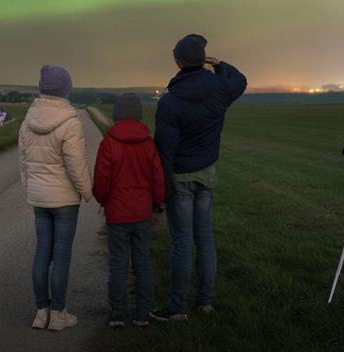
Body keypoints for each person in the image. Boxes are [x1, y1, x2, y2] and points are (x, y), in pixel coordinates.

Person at [150, 34, 247, 322]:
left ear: (178, 62)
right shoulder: (220, 88)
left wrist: (162, 188)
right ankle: (205, 302)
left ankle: (177, 308)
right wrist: (220, 65)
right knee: (204, 239)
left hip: (179, 177)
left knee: (181, 241)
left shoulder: (170, 100)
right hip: (206, 173)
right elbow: (241, 80)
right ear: (202, 60)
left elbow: (164, 149)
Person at [18, 65, 92, 331]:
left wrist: (32, 190)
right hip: (64, 201)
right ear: (65, 90)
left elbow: (24, 162)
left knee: (42, 253)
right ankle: (58, 315)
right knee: (61, 256)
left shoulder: (27, 121)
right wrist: (86, 192)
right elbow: (76, 164)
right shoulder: (70, 123)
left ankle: (41, 312)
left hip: (39, 198)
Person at [92, 93, 165, 329]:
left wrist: (104, 201)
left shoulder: (108, 143)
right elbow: (158, 179)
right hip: (142, 214)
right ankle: (143, 313)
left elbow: (101, 181)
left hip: (117, 214)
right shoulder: (148, 143)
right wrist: (156, 204)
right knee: (142, 261)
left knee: (118, 263)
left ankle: (117, 312)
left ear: (116, 114)